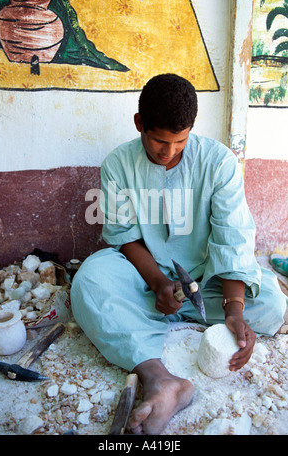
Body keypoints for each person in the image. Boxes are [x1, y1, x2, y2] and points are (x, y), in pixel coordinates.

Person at [71, 73, 287, 435]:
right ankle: (162, 380)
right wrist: (157, 282)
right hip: (146, 281)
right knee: (91, 279)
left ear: (191, 130)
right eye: (158, 141)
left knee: (270, 304)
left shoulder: (218, 162)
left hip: (208, 282)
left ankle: (145, 324)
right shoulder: (118, 165)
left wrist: (234, 310)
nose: (168, 152)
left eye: (180, 141)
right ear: (140, 124)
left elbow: (233, 237)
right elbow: (124, 238)